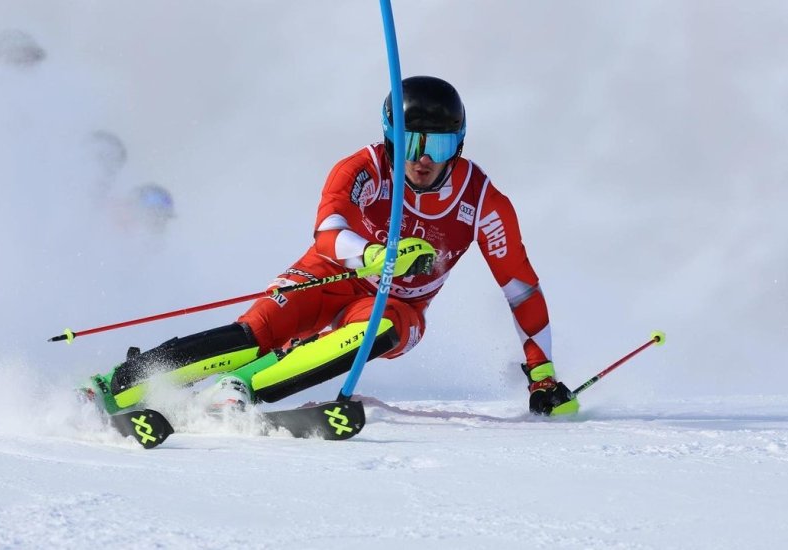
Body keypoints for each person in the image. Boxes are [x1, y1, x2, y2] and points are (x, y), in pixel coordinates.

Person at [84, 76, 579, 417]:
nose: (423, 160)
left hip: (395, 305)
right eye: (411, 144)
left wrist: (542, 374)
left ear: (460, 145)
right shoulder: (362, 168)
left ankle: (240, 392)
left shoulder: (484, 201)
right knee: (256, 333)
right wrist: (371, 255)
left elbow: (520, 289)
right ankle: (118, 384)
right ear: (391, 137)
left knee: (378, 329)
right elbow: (328, 228)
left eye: (439, 147)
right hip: (329, 274)